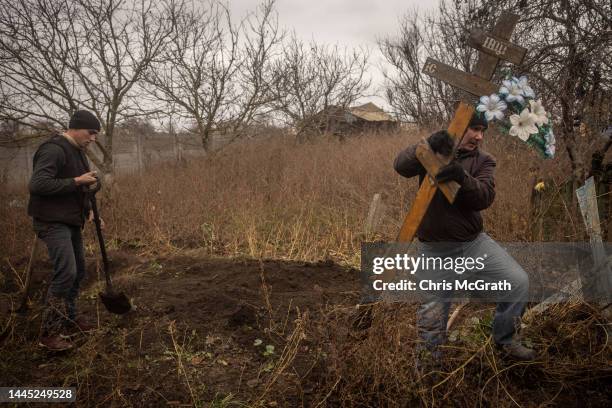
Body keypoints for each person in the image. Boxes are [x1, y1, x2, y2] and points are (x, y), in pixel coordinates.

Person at [393, 114, 536, 362]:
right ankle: (428, 368)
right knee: (431, 315)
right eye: (474, 129)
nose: (479, 136)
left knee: (518, 282)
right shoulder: (434, 149)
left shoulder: (484, 160)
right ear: (459, 127)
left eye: (483, 130)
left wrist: (460, 175)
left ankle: (506, 341)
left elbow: (484, 198)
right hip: (435, 252)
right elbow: (400, 166)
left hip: (474, 244)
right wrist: (424, 145)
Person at [28, 110, 101, 350]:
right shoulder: (54, 149)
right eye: (91, 132)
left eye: (96, 134)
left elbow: (83, 184)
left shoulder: (78, 152)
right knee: (66, 272)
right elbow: (38, 184)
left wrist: (89, 208)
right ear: (76, 127)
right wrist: (77, 181)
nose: (93, 138)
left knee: (79, 270)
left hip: (70, 219)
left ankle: (69, 317)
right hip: (51, 220)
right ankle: (48, 334)